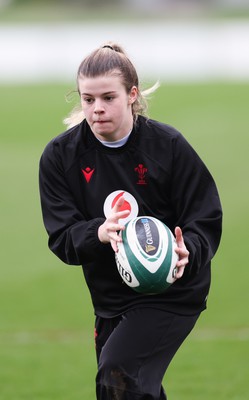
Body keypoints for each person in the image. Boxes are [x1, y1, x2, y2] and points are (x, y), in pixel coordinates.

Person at [39, 42, 222, 400]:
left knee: (118, 375)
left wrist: (191, 250)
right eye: (88, 99)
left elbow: (205, 214)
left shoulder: (167, 145)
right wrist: (99, 232)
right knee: (119, 390)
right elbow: (62, 236)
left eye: (108, 97)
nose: (97, 109)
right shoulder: (61, 157)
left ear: (132, 94)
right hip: (110, 295)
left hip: (174, 289)